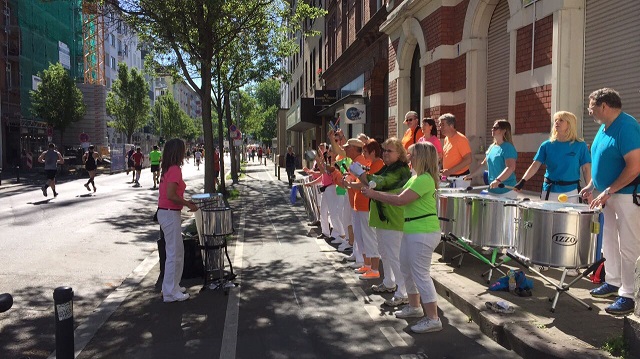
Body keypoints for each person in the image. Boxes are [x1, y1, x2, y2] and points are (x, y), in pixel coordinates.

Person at [361, 142, 443, 333]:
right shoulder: (416, 178)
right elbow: (398, 193)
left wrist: (374, 194)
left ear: (421, 157)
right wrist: (375, 192)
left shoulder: (424, 179)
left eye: (412, 154)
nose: (409, 157)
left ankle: (433, 318)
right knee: (406, 269)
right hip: (412, 230)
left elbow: (400, 200)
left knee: (421, 274)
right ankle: (415, 307)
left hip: (422, 232)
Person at [581, 88, 640, 316]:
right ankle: (613, 282)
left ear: (603, 106)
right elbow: (602, 161)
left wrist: (609, 190)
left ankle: (629, 294)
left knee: (629, 245)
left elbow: (635, 166)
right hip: (609, 195)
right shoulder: (603, 128)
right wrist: (592, 186)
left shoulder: (627, 127)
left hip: (627, 196)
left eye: (591, 106)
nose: (589, 110)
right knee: (609, 243)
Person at [358, 137, 412, 306]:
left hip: (393, 217)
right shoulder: (389, 167)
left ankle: (403, 292)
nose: (386, 154)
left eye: (390, 151)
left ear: (400, 153)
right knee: (385, 253)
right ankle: (390, 283)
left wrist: (359, 174)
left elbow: (377, 183)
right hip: (384, 217)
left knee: (394, 256)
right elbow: (375, 180)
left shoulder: (400, 170)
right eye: (385, 150)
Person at [515, 111, 592, 202]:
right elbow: (535, 166)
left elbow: (586, 169)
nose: (557, 122)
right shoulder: (546, 145)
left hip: (572, 192)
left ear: (569, 124)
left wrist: (589, 190)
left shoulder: (580, 145)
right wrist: (522, 181)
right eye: (555, 120)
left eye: (561, 120)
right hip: (549, 191)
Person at [158, 139, 199, 303]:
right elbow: (171, 196)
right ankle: (170, 292)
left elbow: (171, 195)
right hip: (169, 213)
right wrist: (188, 203)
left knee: (175, 252)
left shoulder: (168, 168)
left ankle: (172, 286)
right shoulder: (175, 169)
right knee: (175, 253)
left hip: (167, 212)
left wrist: (185, 202)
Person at [344, 138, 385, 280]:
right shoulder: (372, 164)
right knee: (362, 237)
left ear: (373, 152)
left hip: (367, 205)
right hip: (360, 205)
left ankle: (374, 268)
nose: (364, 154)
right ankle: (368, 265)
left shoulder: (378, 164)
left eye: (366, 152)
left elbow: (366, 184)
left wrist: (352, 183)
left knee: (369, 238)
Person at [464, 119, 517, 197]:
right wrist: (470, 176)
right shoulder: (492, 147)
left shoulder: (508, 147)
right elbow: (484, 165)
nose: (492, 129)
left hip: (506, 191)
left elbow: (510, 167)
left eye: (496, 128)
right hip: (492, 190)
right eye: (493, 127)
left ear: (503, 131)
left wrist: (498, 180)